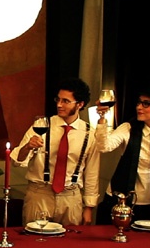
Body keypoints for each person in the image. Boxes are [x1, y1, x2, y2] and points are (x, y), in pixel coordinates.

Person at [11, 78, 100, 226]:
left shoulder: (89, 134)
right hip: (40, 194)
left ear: (80, 104)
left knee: (71, 240)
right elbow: (16, 161)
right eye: (58, 99)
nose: (59, 104)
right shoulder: (41, 125)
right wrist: (27, 147)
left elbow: (92, 173)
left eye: (65, 101)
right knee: (36, 238)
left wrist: (89, 207)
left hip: (71, 197)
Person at [94, 82, 150, 227]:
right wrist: (102, 119)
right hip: (119, 201)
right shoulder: (127, 128)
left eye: (146, 104)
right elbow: (103, 147)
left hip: (149, 204)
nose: (139, 107)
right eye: (139, 102)